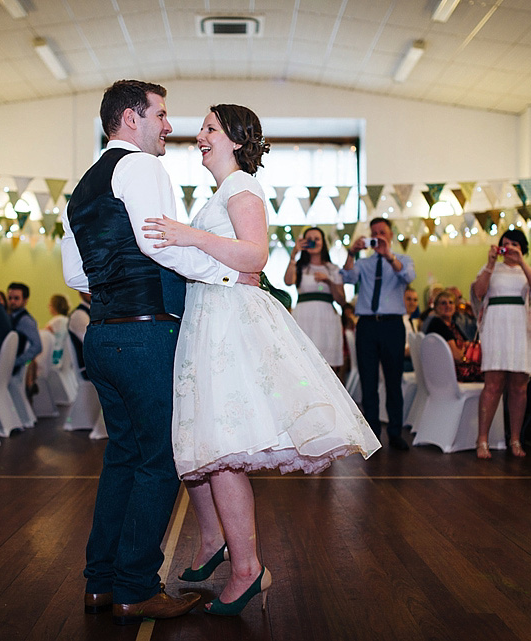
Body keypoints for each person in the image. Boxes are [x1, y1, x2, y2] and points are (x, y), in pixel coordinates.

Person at [142, 103, 380, 617]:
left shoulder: (241, 187)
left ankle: (248, 570)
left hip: (228, 320)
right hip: (212, 313)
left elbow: (255, 256)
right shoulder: (224, 191)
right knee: (207, 443)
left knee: (223, 447)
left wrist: (188, 235)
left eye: (209, 129)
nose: (198, 137)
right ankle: (216, 545)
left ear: (233, 139)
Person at [60, 80, 250, 625]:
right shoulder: (142, 167)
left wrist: (117, 293)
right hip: (145, 337)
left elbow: (75, 273)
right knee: (159, 461)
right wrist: (229, 273)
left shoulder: (83, 187)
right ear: (129, 118)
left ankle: (101, 582)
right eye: (161, 115)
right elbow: (159, 242)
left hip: (102, 337)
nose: (169, 127)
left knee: (122, 456)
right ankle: (136, 586)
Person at [471, 229, 531, 459]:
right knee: (493, 384)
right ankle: (482, 439)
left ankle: (515, 438)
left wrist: (521, 262)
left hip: (520, 328)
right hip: (496, 326)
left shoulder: (530, 270)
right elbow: (478, 292)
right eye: (504, 244)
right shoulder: (491, 268)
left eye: (514, 244)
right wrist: (490, 263)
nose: (509, 248)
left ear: (522, 247)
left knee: (519, 386)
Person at [340, 217, 416, 451]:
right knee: (368, 380)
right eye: (374, 233)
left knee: (394, 380)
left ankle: (395, 431)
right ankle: (372, 433)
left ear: (391, 235)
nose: (378, 237)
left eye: (382, 232)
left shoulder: (402, 260)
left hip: (393, 325)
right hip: (367, 326)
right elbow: (346, 277)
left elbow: (408, 277)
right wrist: (351, 253)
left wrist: (389, 256)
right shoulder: (364, 263)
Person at [283, 226, 346, 373]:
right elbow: (288, 281)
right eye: (309, 239)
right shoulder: (300, 267)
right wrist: (293, 256)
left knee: (327, 365)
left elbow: (341, 300)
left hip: (327, 318)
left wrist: (329, 281)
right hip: (304, 317)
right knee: (303, 362)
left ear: (323, 242)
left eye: (316, 239)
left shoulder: (333, 268)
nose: (313, 242)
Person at [6, 283, 43, 384]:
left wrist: (15, 362)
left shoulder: (25, 320)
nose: (12, 301)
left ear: (25, 300)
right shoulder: (10, 316)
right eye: (10, 298)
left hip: (11, 369)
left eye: (16, 298)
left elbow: (37, 346)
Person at [425, 290, 470, 365]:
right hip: (446, 369)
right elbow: (456, 356)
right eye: (443, 303)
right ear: (436, 307)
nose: (448, 306)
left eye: (451, 302)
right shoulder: (437, 324)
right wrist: (465, 353)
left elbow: (468, 344)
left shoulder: (452, 324)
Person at [45, 294, 71, 366]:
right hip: (64, 355)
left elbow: (44, 335)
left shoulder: (57, 320)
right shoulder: (67, 320)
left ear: (54, 306)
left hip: (55, 354)